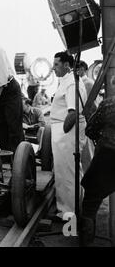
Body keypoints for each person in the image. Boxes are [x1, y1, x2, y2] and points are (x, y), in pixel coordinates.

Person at [50, 51, 88, 219]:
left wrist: (63, 134)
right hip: (63, 131)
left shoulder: (72, 83)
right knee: (67, 172)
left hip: (67, 132)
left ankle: (69, 217)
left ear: (67, 65)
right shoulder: (66, 81)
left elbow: (73, 113)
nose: (53, 68)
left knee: (67, 174)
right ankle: (72, 211)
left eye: (56, 64)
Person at [80, 96, 115, 246]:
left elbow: (90, 130)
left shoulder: (109, 103)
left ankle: (86, 241)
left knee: (91, 197)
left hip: (109, 155)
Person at [77, 60, 95, 173]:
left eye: (77, 69)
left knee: (87, 154)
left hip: (86, 120)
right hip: (83, 121)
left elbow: (91, 105)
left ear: (82, 69)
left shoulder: (87, 83)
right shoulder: (81, 82)